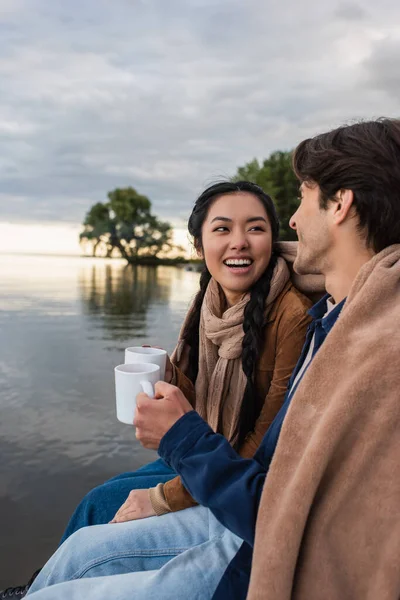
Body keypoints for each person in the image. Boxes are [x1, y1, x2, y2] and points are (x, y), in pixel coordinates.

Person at [26, 118, 400, 600]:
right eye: (220, 231)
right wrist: (166, 382)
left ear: (341, 204)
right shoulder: (324, 311)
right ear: (200, 246)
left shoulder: (358, 339)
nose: (293, 220)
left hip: (248, 515)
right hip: (231, 477)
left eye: (304, 195)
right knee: (86, 537)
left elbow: (279, 487)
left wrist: (172, 466)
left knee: (99, 513)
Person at [1, 180, 313, 599]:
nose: (239, 242)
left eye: (255, 228)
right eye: (222, 229)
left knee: (107, 508)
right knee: (95, 503)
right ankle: (46, 585)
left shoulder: (291, 315)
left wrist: (163, 498)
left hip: (234, 470)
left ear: (272, 240)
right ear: (199, 246)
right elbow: (197, 400)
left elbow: (262, 444)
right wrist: (166, 372)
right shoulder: (210, 298)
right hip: (209, 448)